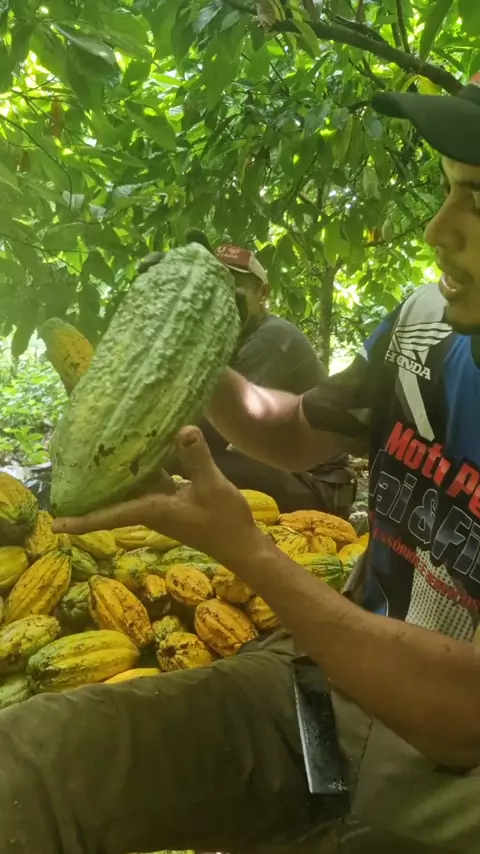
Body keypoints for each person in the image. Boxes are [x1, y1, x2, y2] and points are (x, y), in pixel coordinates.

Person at [1, 79, 480, 854]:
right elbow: (291, 430)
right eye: (448, 187)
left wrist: (245, 548)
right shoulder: (424, 328)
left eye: (478, 202)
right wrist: (184, 351)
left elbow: (463, 717)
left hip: (453, 768)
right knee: (30, 766)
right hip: (335, 678)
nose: (436, 229)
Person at [170, 240, 357, 519]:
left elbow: (205, 436)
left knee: (183, 458)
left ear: (263, 293)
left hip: (318, 486)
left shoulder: (272, 340)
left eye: (234, 287)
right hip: (293, 471)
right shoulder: (235, 338)